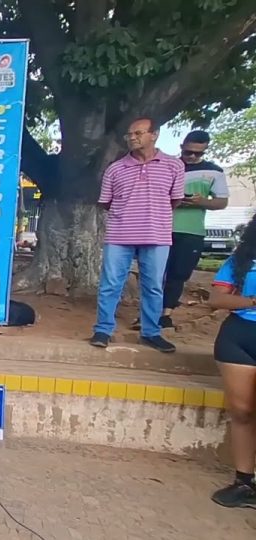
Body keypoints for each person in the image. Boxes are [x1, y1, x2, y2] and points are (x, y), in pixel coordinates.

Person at [90, 117, 185, 352]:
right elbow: (106, 202)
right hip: (119, 235)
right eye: (129, 134)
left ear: (154, 135)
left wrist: (151, 214)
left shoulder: (174, 166)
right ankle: (103, 330)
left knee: (153, 286)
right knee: (110, 284)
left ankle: (151, 333)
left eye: (138, 133)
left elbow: (175, 200)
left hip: (157, 235)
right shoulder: (115, 168)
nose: (132, 138)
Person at [208, 215, 256, 508]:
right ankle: (243, 482)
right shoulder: (240, 261)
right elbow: (217, 299)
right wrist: (252, 301)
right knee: (242, 412)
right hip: (237, 338)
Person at [157, 130, 227, 328]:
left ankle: (165, 314)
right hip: (160, 227)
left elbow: (222, 202)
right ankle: (148, 313)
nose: (193, 157)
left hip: (192, 231)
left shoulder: (215, 171)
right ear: (181, 147)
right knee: (155, 273)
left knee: (178, 274)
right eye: (189, 152)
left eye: (199, 153)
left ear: (205, 150)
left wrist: (200, 201)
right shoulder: (166, 166)